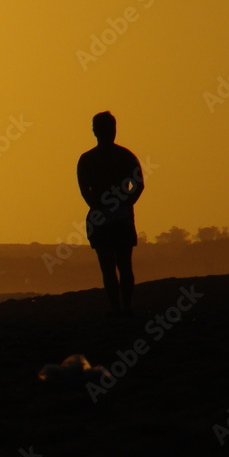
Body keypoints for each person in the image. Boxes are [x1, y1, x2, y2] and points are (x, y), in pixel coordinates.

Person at [77, 111, 144, 315]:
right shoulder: (125, 156)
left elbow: (84, 190)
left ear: (94, 131)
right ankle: (124, 307)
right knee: (122, 265)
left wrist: (98, 208)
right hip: (118, 217)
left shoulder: (88, 159)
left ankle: (117, 308)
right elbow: (139, 185)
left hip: (104, 217)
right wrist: (124, 204)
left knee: (110, 266)